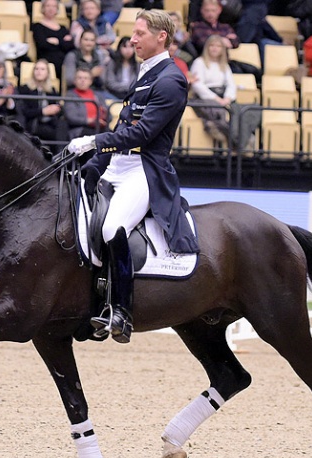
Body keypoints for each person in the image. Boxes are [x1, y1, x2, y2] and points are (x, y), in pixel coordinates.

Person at [67, 10, 200, 343]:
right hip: (117, 165)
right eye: (133, 33)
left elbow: (142, 133)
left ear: (161, 37)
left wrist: (94, 139)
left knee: (114, 227)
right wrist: (92, 163)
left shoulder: (171, 79)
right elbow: (122, 127)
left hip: (144, 170)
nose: (133, 40)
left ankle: (121, 311)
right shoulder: (145, 75)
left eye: (140, 33)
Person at [189, 34, 236, 144]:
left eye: (218, 46)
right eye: (212, 45)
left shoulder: (224, 65)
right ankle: (236, 142)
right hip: (204, 97)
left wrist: (227, 98)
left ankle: (217, 129)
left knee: (239, 112)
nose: (215, 48)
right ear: (207, 47)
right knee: (217, 110)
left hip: (222, 95)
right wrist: (216, 99)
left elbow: (231, 84)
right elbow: (197, 85)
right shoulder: (199, 62)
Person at [18, 59, 69, 152]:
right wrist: (43, 111)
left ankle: (61, 156)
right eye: (36, 69)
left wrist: (57, 109)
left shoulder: (52, 90)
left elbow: (59, 109)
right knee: (55, 133)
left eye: (42, 69)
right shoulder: (25, 89)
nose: (39, 72)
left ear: (47, 73)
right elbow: (24, 111)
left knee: (63, 125)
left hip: (51, 122)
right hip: (35, 123)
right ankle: (59, 156)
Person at [31, 0, 74, 81]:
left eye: (54, 6)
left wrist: (57, 42)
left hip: (64, 61)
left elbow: (70, 46)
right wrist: (62, 42)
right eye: (48, 6)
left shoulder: (63, 28)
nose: (51, 9)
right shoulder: (38, 27)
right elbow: (42, 45)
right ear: (43, 8)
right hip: (47, 59)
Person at [63, 66, 109, 139]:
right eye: (79, 78)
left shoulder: (98, 95)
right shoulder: (70, 95)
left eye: (85, 78)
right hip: (81, 129)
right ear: (74, 81)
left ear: (90, 81)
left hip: (100, 128)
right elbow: (71, 117)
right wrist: (90, 121)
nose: (82, 80)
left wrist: (103, 118)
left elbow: (107, 113)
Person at [103, 36, 140, 100]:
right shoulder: (112, 63)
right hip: (114, 94)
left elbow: (138, 83)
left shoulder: (137, 65)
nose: (128, 50)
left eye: (131, 46)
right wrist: (127, 87)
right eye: (125, 46)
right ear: (119, 48)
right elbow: (110, 83)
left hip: (132, 94)